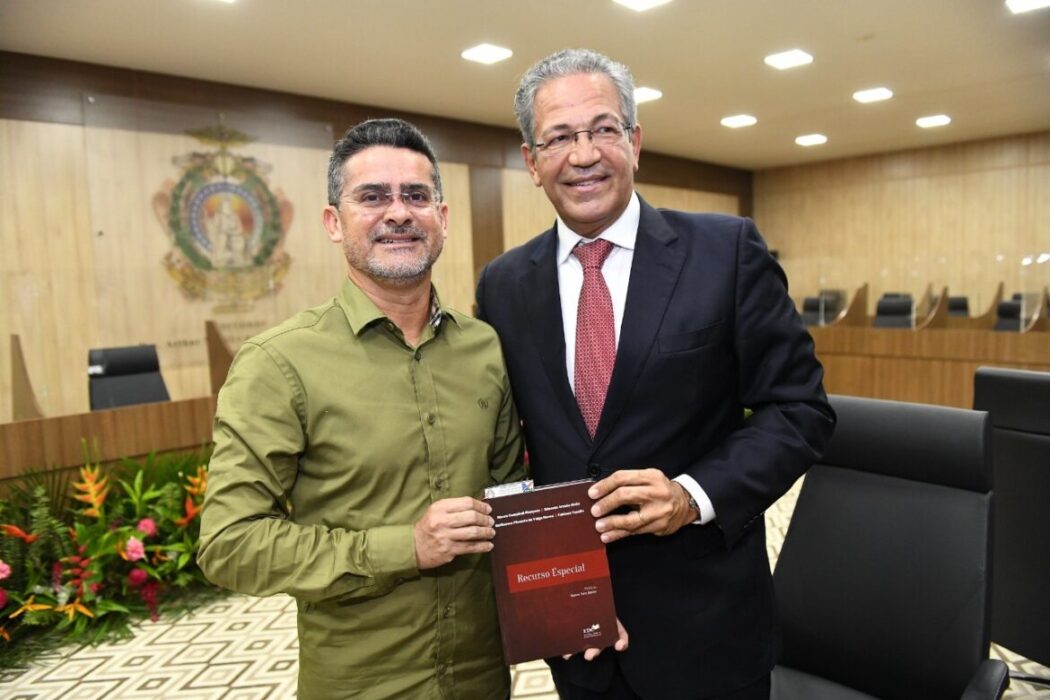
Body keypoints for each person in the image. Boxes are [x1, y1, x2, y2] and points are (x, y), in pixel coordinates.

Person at [475, 49, 835, 700]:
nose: (583, 154)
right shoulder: (502, 286)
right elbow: (518, 451)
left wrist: (693, 494)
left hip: (706, 628)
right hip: (577, 634)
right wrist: (551, 598)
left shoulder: (726, 252)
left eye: (603, 129)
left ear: (635, 143)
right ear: (532, 162)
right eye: (558, 137)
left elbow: (801, 410)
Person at [198, 118, 525, 699]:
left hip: (483, 676)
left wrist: (570, 603)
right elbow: (230, 544)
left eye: (416, 197)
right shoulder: (278, 363)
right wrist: (407, 546)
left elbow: (511, 501)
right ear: (333, 221)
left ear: (442, 219)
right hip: (362, 683)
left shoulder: (485, 348)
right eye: (372, 197)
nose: (398, 213)